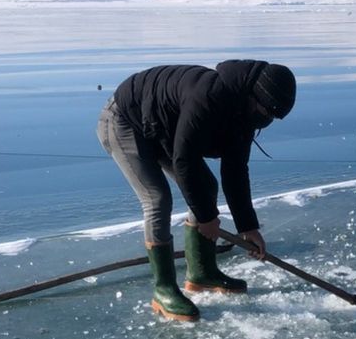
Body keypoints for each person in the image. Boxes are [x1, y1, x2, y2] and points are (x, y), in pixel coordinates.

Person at [96, 60, 296, 322]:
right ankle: (163, 290)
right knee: (157, 199)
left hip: (160, 127)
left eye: (273, 116)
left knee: (207, 186)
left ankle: (202, 273)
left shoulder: (244, 113)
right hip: (124, 120)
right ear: (254, 96)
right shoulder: (208, 97)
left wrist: (248, 226)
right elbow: (184, 158)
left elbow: (235, 170)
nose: (267, 119)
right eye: (266, 111)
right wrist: (206, 218)